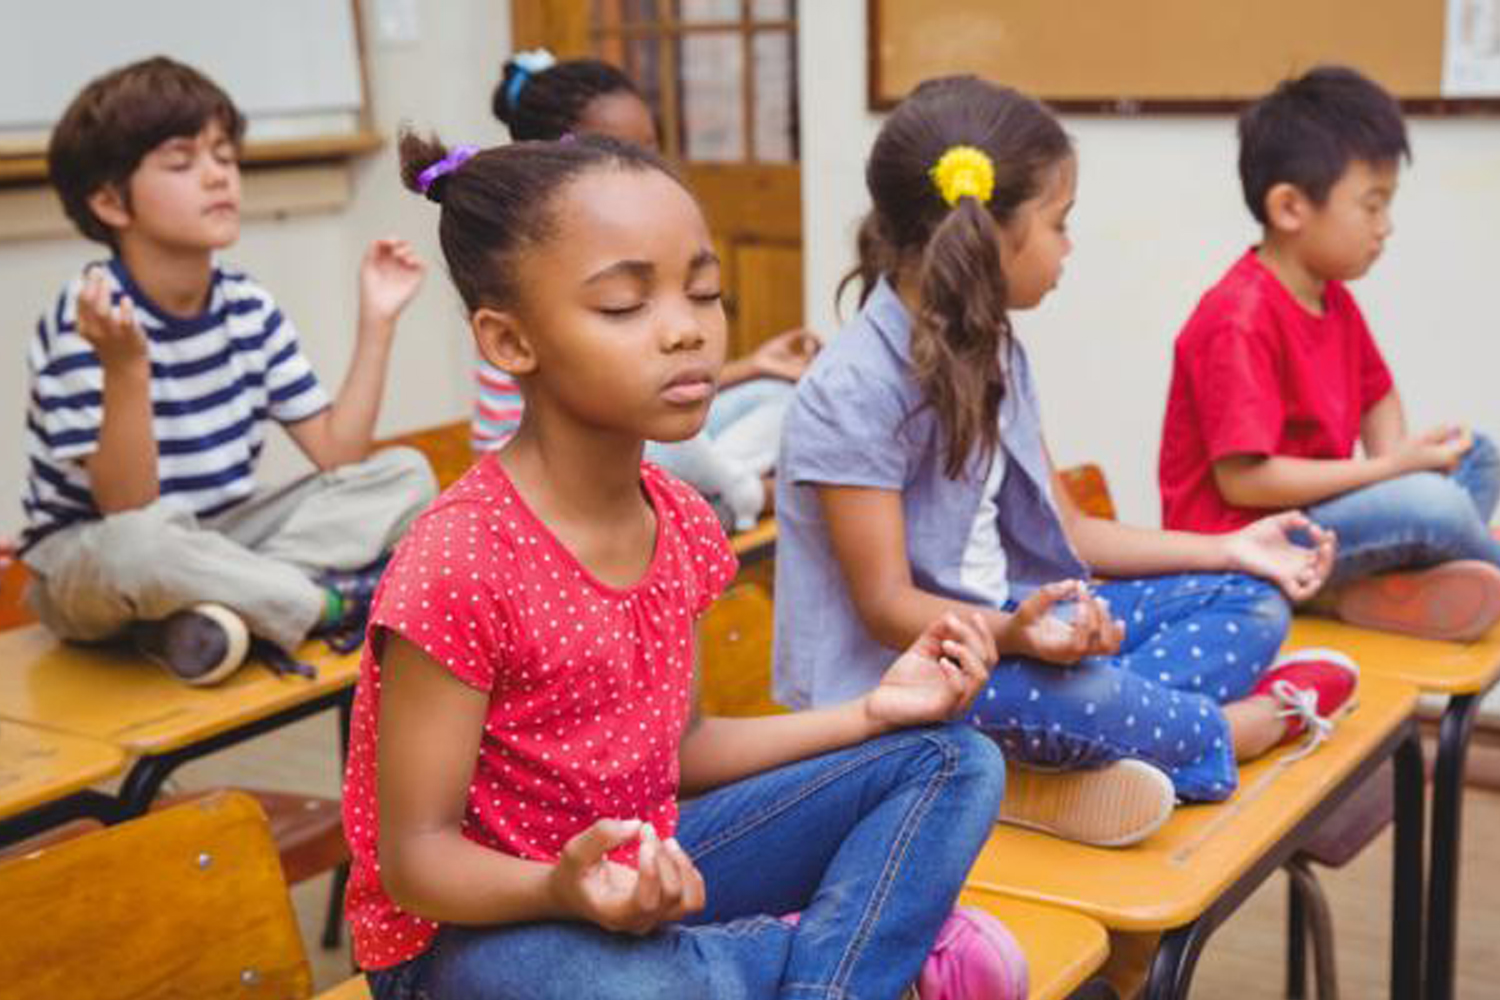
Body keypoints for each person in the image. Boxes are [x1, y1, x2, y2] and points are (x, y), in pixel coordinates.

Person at [342, 130, 1029, 1000]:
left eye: (704, 294)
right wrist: (563, 889)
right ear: (510, 341)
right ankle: (842, 957)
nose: (686, 333)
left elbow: (684, 751)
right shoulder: (459, 561)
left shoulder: (678, 521)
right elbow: (417, 863)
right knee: (636, 991)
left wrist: (873, 713)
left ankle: (803, 970)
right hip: (470, 937)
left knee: (949, 761)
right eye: (626, 306)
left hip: (649, 865)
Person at [774, 76, 1354, 849]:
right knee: (1074, 695)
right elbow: (885, 607)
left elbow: (1074, 528)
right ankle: (1240, 727)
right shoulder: (852, 390)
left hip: (1008, 629)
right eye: (1060, 222)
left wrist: (1229, 548)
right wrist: (1020, 637)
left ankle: (1064, 760)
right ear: (991, 231)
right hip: (908, 682)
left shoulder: (993, 352)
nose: (1070, 247)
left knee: (1249, 598)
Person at [19, 57, 436, 684]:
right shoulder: (89, 315)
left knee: (404, 473)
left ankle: (211, 612)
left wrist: (377, 323)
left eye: (224, 154)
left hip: (220, 539)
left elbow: (339, 457)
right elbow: (127, 509)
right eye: (183, 162)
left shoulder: (246, 305)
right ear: (109, 201)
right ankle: (324, 603)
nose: (218, 176)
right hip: (90, 563)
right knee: (147, 546)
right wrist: (126, 367)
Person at [1159, 65, 1500, 642]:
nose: (1385, 227)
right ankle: (1390, 579)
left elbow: (1378, 393)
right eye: (1372, 206)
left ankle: (1375, 586)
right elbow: (1246, 484)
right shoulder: (1237, 316)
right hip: (1251, 543)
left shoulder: (1331, 297)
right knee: (1434, 505)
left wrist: (1395, 461)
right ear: (1291, 208)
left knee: (1477, 454)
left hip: (1322, 518)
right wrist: (1391, 473)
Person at [487, 48, 818, 530]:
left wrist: (756, 365)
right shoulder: (538, 263)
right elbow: (611, 399)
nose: (650, 169)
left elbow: (644, 379)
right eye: (623, 305)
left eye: (703, 292)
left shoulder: (643, 231)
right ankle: (732, 499)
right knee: (678, 441)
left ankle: (706, 501)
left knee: (782, 400)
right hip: (576, 455)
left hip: (631, 420)